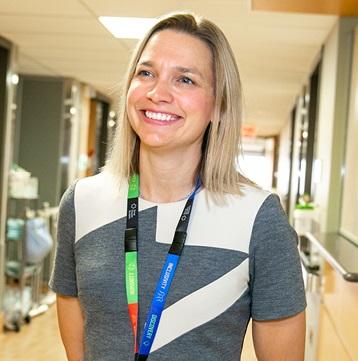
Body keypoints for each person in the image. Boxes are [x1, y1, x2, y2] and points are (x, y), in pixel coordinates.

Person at [50, 12, 306, 361]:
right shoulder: (81, 202)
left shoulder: (258, 217)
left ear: (218, 105)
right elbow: (75, 335)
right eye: (146, 73)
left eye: (185, 80)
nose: (158, 93)